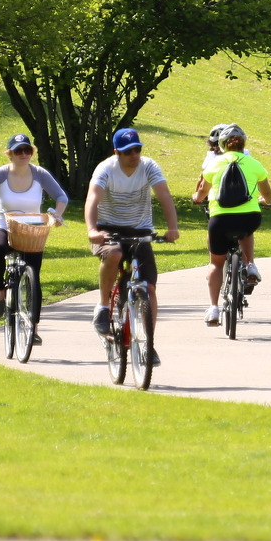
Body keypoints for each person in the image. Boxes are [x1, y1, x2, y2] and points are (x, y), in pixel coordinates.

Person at [85, 127, 181, 364]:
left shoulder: (148, 166)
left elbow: (164, 196)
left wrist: (173, 228)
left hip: (140, 230)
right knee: (115, 254)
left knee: (149, 289)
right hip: (108, 227)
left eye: (137, 149)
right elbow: (92, 199)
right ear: (117, 152)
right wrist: (92, 230)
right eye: (128, 151)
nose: (134, 155)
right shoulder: (106, 169)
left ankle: (149, 344)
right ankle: (103, 305)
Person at [0, 134, 69, 327]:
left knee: (33, 274)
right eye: (18, 150)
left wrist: (57, 214)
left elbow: (61, 197)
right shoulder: (1, 174)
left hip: (31, 228)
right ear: (10, 154)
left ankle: (34, 327)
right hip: (4, 223)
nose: (23, 154)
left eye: (27, 150)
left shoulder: (40, 174)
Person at [193, 124, 271, 326]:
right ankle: (250, 265)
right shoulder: (255, 164)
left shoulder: (214, 164)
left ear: (221, 144)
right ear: (244, 143)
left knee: (216, 264)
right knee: (246, 229)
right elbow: (267, 194)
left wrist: (197, 197)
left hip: (220, 219)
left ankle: (213, 309)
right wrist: (267, 202)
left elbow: (201, 192)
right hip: (250, 217)